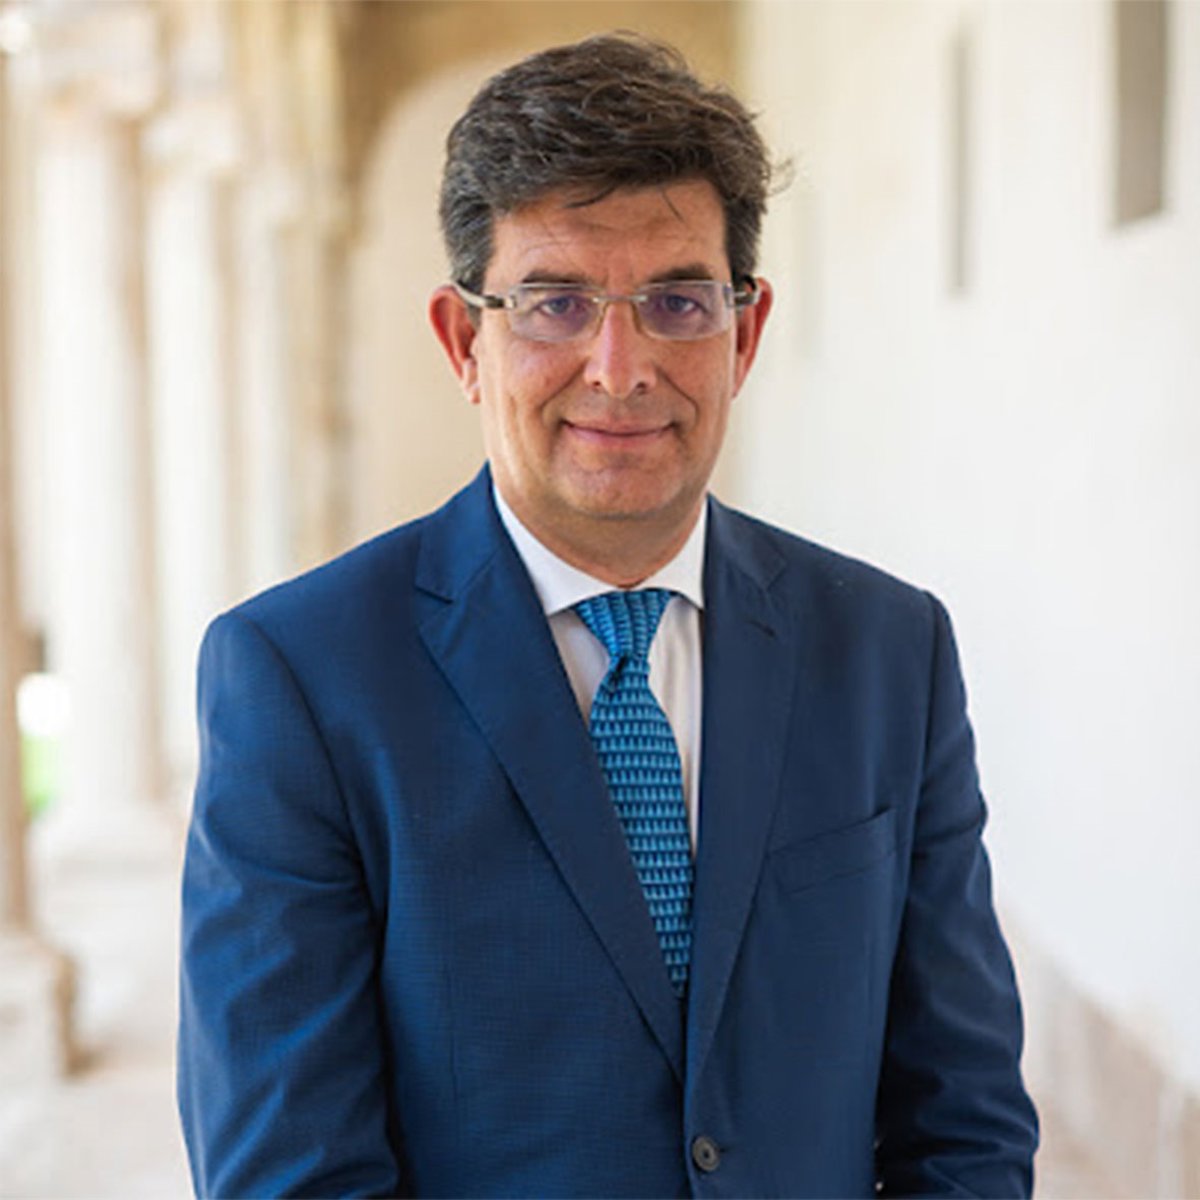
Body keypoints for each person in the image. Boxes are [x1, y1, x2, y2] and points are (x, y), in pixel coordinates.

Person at [177, 33, 1038, 1198]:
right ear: (464, 341)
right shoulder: (301, 677)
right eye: (555, 304)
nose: (621, 367)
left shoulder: (891, 651)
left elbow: (967, 1123)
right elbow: (291, 1173)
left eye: (677, 301)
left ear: (744, 333)